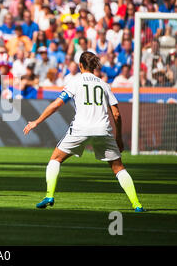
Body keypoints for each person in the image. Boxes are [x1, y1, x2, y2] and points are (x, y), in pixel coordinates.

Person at [23, 51, 145, 212]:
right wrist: (119, 138)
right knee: (118, 167)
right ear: (94, 66)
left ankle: (49, 195)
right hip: (103, 129)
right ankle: (136, 204)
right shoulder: (104, 84)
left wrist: (36, 122)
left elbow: (56, 105)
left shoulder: (75, 81)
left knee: (55, 159)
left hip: (80, 128)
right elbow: (116, 113)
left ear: (80, 65)